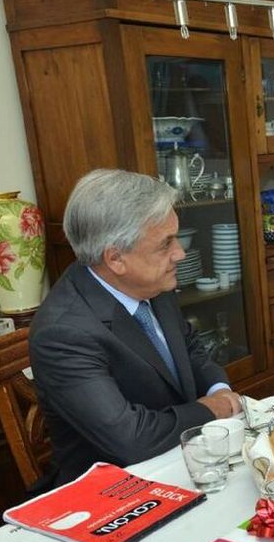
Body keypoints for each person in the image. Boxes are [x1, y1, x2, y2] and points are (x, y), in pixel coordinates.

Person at [30, 169, 242, 486]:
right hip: (113, 488)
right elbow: (131, 438)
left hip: (181, 455)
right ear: (116, 258)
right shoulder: (63, 333)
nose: (180, 253)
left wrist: (218, 389)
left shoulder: (149, 282)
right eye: (166, 244)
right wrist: (211, 409)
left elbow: (189, 347)